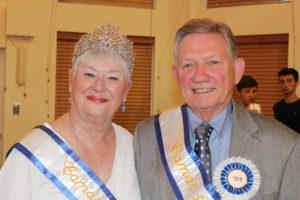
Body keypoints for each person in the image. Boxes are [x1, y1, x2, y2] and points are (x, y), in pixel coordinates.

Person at [134, 18, 300, 199]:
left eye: (213, 62)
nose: (200, 76)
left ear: (237, 70)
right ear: (177, 75)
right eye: (188, 65)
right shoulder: (147, 136)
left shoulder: (286, 146)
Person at [0, 24, 141, 200]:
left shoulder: (131, 146)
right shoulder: (32, 153)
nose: (99, 86)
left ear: (126, 91)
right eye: (89, 74)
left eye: (112, 78)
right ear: (70, 81)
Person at [273, 68, 300, 133]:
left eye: (289, 81)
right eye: (282, 82)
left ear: (296, 83)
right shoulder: (277, 107)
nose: (285, 85)